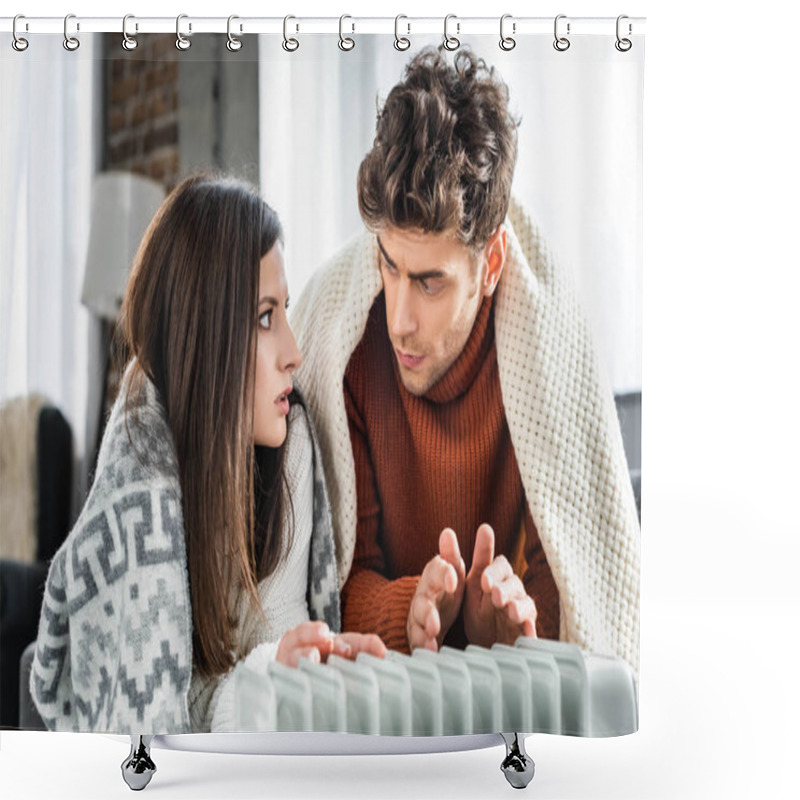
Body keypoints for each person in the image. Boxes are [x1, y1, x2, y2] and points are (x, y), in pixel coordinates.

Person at [291, 48, 641, 674]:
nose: (398, 317)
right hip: (379, 691)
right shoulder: (343, 342)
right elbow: (333, 575)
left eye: (430, 283)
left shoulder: (546, 344)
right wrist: (412, 611)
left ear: (492, 266)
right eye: (389, 266)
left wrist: (494, 626)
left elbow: (576, 591)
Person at [29, 174, 385, 734]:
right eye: (266, 317)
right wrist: (264, 683)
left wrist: (303, 670)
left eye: (285, 311)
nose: (293, 353)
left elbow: (253, 678)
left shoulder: (290, 453)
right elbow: (144, 741)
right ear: (208, 334)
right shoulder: (139, 491)